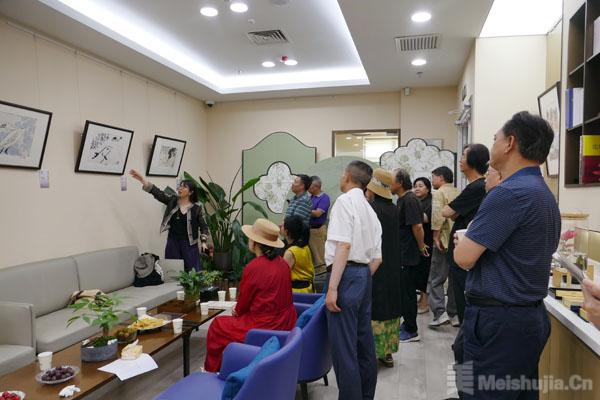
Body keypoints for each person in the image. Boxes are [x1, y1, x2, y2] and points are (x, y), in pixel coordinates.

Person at [453, 111, 560, 399]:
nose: (493, 145)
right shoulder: (543, 193)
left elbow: (464, 258)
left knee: (478, 392)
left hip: (498, 322)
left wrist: (463, 241)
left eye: (495, 138)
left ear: (510, 143)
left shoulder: (508, 193)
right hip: (526, 319)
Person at [204, 218, 297, 372]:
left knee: (217, 325)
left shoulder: (253, 267)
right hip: (286, 323)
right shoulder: (283, 264)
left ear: (254, 243)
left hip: (264, 325)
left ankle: (213, 371)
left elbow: (243, 303)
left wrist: (237, 310)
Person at [325, 160, 382, 400]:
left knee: (344, 349)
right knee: (364, 344)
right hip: (363, 276)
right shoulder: (370, 210)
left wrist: (333, 287)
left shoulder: (344, 202)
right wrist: (360, 279)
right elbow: (378, 258)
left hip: (345, 274)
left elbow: (344, 245)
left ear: (347, 176)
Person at [442, 144, 489, 324]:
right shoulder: (477, 186)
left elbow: (447, 212)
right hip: (466, 246)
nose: (460, 160)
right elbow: (454, 213)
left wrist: (454, 211)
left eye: (463, 156)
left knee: (463, 298)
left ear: (473, 161)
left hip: (465, 248)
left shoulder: (476, 187)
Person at [129, 169, 208, 271]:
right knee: (172, 271)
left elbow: (203, 226)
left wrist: (203, 242)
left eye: (184, 187)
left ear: (191, 192)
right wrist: (142, 180)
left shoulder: (197, 207)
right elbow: (158, 193)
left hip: (189, 244)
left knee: (193, 271)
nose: (180, 188)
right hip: (173, 242)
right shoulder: (173, 201)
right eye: (180, 186)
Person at [365, 168, 402, 368]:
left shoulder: (370, 210)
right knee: (390, 303)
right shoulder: (393, 209)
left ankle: (371, 351)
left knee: (375, 304)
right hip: (393, 263)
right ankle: (387, 352)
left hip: (375, 262)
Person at [391, 169, 429, 343]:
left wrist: (421, 246)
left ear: (400, 183)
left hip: (408, 253)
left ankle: (412, 330)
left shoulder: (410, 199)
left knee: (407, 294)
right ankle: (407, 324)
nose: (388, 183)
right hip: (402, 252)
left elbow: (417, 226)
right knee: (403, 292)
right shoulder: (402, 199)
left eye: (391, 180)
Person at [427, 166, 460, 328]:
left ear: (441, 178)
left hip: (444, 239)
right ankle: (454, 313)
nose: (432, 181)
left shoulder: (439, 193)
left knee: (436, 278)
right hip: (458, 240)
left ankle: (440, 313)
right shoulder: (458, 191)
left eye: (433, 177)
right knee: (454, 279)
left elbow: (438, 216)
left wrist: (435, 237)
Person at [413, 177, 433, 314]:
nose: (417, 188)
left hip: (427, 241)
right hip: (417, 242)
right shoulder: (417, 202)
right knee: (419, 271)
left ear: (428, 188)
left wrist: (411, 212)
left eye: (420, 186)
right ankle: (421, 299)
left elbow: (425, 219)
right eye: (415, 186)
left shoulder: (430, 203)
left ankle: (425, 302)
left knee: (425, 271)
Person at [282, 215, 315, 293]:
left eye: (282, 225)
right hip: (308, 290)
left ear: (286, 232)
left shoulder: (290, 252)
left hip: (296, 292)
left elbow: (282, 276)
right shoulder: (305, 246)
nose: (280, 226)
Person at [308, 175, 330, 273]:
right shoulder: (311, 197)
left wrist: (303, 209)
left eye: (310, 186)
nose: (308, 188)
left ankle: (322, 276)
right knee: (312, 257)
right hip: (309, 229)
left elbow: (317, 213)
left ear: (316, 187)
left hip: (317, 230)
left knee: (319, 257)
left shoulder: (324, 198)